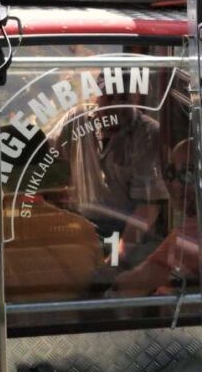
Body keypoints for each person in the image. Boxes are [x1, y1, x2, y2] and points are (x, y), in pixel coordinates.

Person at [111, 139, 202, 296]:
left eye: (188, 174)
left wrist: (104, 283)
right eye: (170, 173)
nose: (175, 184)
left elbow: (142, 279)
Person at [50, 74, 169, 248]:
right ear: (96, 96)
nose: (116, 105)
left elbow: (147, 209)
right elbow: (45, 153)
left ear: (135, 99)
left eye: (123, 98)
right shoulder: (77, 120)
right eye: (110, 97)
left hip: (124, 229)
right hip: (78, 225)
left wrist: (118, 257)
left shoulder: (147, 133)